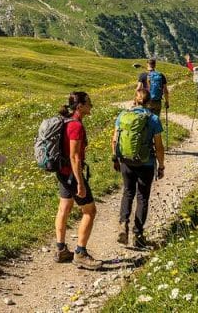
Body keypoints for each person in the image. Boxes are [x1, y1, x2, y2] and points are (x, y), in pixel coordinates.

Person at [54, 92, 102, 270]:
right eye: (89, 103)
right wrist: (80, 183)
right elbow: (75, 157)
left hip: (62, 172)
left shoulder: (65, 121)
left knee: (64, 208)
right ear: (80, 106)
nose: (91, 106)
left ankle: (61, 249)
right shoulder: (76, 126)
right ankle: (80, 253)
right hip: (72, 174)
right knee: (90, 211)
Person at [112, 86, 164, 248]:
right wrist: (161, 165)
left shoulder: (122, 116)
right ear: (149, 102)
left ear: (135, 100)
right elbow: (159, 146)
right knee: (142, 197)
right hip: (146, 162)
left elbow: (114, 140)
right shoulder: (153, 119)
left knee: (128, 192)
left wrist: (115, 158)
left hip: (126, 161)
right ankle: (138, 235)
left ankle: (123, 224)